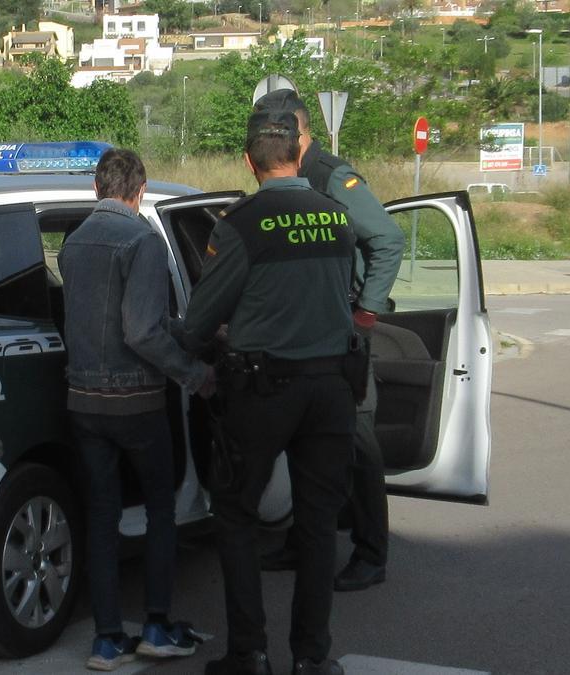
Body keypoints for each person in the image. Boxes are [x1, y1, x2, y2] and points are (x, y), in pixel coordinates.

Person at [180, 109, 359, 675]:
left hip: (262, 391)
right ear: (300, 156)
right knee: (316, 521)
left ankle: (248, 653)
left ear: (249, 162)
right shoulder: (338, 217)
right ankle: (312, 657)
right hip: (330, 388)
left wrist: (212, 333)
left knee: (235, 514)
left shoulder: (242, 223)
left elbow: (197, 322)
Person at [59, 148, 215, 671]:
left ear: (97, 189)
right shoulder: (143, 241)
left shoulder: (72, 245)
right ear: (140, 189)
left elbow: (98, 322)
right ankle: (155, 626)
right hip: (137, 403)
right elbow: (140, 330)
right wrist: (195, 373)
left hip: (83, 402)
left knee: (101, 516)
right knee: (161, 509)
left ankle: (106, 639)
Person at [253, 89, 405, 593]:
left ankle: (370, 552)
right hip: (315, 328)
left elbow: (386, 239)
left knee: (359, 444)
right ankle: (304, 540)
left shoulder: (332, 176)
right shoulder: (298, 175)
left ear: (297, 130)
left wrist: (366, 314)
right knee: (309, 442)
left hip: (346, 329)